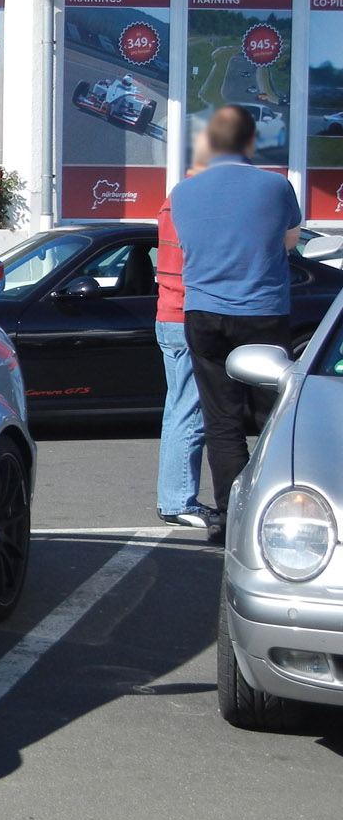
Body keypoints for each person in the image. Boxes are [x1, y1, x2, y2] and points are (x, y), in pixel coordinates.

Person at [169, 104, 302, 544]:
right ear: (251, 142)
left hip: (203, 314)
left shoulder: (183, 192)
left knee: (221, 420)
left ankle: (229, 520)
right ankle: (273, 514)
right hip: (262, 312)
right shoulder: (276, 186)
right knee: (271, 418)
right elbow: (288, 242)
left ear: (209, 141)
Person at [155, 135, 214, 529]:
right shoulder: (196, 202)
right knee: (189, 412)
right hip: (184, 313)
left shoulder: (175, 199)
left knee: (179, 408)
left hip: (170, 314)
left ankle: (173, 497)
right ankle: (178, 500)